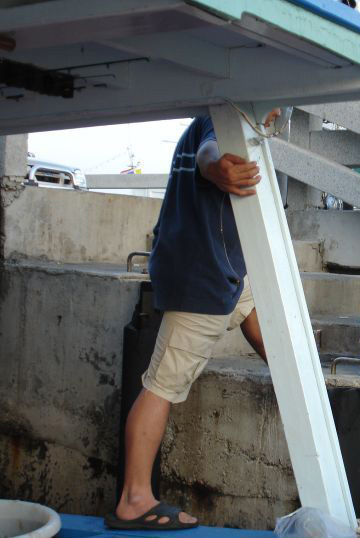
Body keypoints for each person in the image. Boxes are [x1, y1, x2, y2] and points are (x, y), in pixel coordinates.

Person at [106, 110, 280, 530]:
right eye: (275, 109)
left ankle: (294, 381)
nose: (276, 116)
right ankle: (134, 499)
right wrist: (219, 169)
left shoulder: (219, 117)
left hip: (221, 266)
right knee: (162, 383)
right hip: (201, 274)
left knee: (261, 318)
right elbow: (210, 152)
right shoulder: (226, 118)